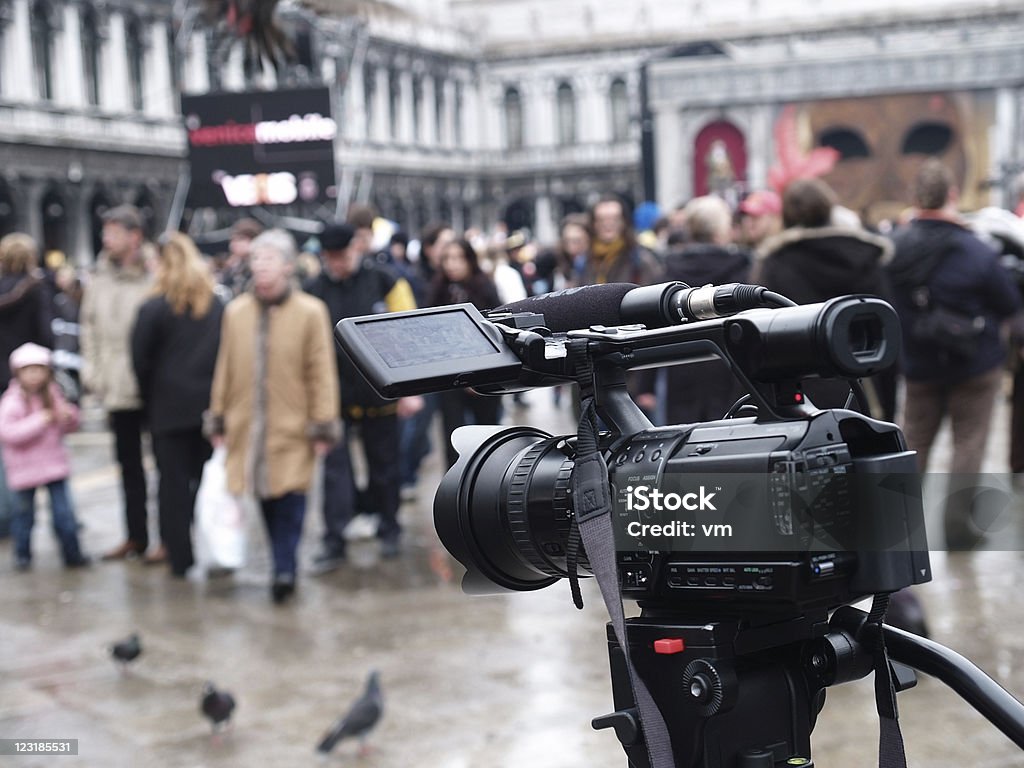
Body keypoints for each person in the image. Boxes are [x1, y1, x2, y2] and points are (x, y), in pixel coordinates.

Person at [886, 159, 1022, 548]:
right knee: (969, 442)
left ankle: (900, 532)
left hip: (918, 364)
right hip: (974, 363)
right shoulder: (975, 249)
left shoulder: (894, 247)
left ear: (916, 197)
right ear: (952, 195)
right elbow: (1007, 301)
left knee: (915, 441)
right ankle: (958, 530)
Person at [205, 229, 340, 603]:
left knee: (291, 495)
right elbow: (225, 367)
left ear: (287, 266)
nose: (261, 268)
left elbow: (321, 370)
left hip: (293, 423)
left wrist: (323, 423)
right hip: (247, 421)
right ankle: (282, 562)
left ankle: (285, 566)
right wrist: (217, 417)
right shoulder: (236, 312)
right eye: (256, 260)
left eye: (269, 260)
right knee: (263, 493)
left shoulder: (310, 312)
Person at [304, 222, 419, 568]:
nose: (334, 263)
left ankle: (389, 529)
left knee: (385, 466)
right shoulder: (313, 290)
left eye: (339, 256)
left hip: (380, 392)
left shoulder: (385, 281)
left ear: (355, 248)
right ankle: (334, 539)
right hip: (333, 396)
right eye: (328, 258)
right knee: (335, 472)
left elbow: (410, 332)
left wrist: (411, 390)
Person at [754, 178, 897, 419]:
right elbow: (887, 332)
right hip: (861, 390)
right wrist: (888, 405)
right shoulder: (863, 257)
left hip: (799, 395)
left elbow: (760, 341)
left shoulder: (774, 264)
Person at [131, 233, 224, 578]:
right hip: (208, 407)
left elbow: (139, 361)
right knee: (207, 482)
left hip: (167, 408)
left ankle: (180, 557)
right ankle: (214, 548)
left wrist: (148, 399)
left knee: (172, 486)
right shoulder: (214, 304)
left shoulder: (153, 307)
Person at [79, 205, 158, 562]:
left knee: (168, 466)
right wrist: (92, 373)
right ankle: (135, 536)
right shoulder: (99, 277)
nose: (105, 240)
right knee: (127, 465)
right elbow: (89, 328)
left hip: (155, 385)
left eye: (112, 233)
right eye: (104, 233)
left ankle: (171, 538)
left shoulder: (155, 275)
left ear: (134, 236)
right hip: (114, 385)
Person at [662, 196, 751, 424]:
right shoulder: (743, 269)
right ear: (722, 229)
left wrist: (645, 384)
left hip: (682, 366)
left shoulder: (669, 270)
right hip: (730, 366)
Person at [0, 343, 89, 570]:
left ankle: (72, 554)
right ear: (18, 372)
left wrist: (69, 417)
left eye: (39, 369)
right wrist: (40, 420)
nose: (34, 375)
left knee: (64, 515)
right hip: (23, 470)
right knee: (23, 517)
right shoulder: (12, 401)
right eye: (28, 370)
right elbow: (8, 433)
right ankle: (22, 556)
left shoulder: (54, 395)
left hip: (53, 465)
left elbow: (70, 426)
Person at [429, 239, 502, 468]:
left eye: (458, 258)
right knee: (452, 432)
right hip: (449, 374)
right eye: (447, 258)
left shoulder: (484, 287)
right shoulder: (438, 289)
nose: (452, 264)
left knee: (487, 432)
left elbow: (496, 329)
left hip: (485, 373)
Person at [0, 233, 55, 540]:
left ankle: (6, 517)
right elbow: (45, 335)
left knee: (4, 446)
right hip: (28, 378)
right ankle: (57, 513)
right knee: (42, 445)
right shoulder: (35, 289)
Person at [579, 195, 663, 286]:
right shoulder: (584, 261)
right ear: (593, 224)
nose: (608, 224)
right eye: (601, 220)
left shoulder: (640, 259)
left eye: (615, 219)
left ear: (624, 221)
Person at [218, 217, 263, 298]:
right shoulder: (233, 265)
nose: (233, 244)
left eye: (240, 239)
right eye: (232, 240)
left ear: (253, 240)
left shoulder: (260, 264)